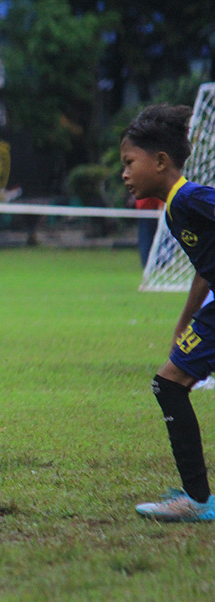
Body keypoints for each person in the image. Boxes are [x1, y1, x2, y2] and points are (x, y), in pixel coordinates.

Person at [120, 103, 215, 521]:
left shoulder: (191, 197)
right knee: (169, 382)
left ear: (160, 161)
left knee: (169, 384)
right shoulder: (176, 208)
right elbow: (206, 269)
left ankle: (197, 501)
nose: (124, 172)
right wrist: (184, 321)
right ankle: (197, 497)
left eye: (129, 162)